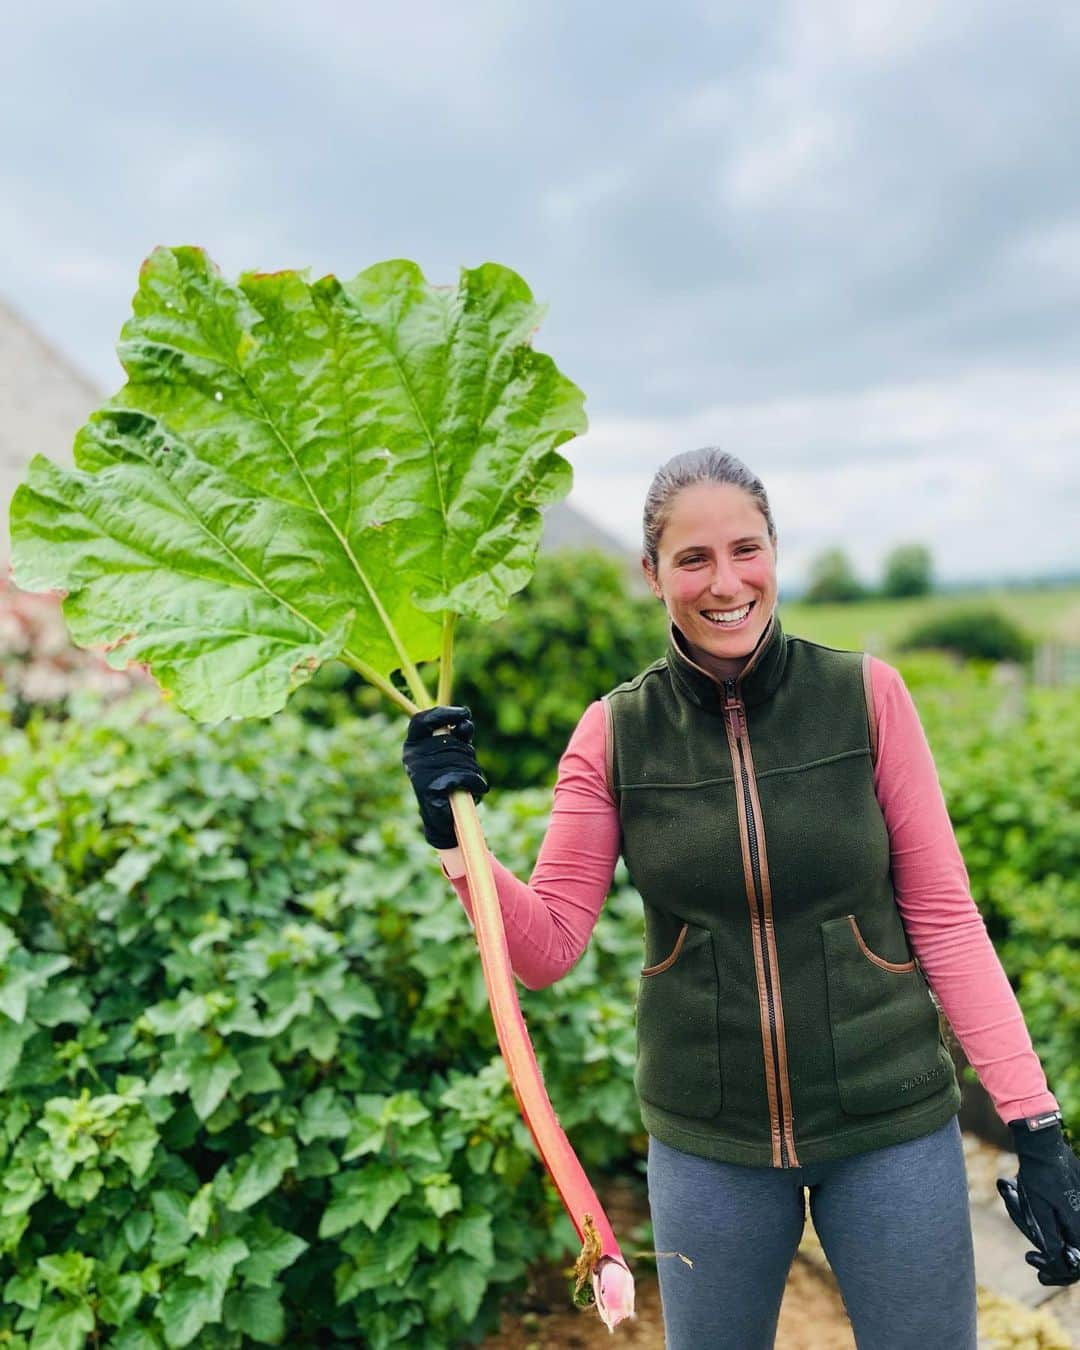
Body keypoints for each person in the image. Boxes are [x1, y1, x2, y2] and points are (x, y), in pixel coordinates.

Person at [402, 448, 1080, 1349]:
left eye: (745, 550)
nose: (726, 583)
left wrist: (1036, 1125)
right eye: (692, 559)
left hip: (890, 1125)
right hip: (708, 1145)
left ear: (774, 553)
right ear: (652, 574)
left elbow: (947, 921)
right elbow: (546, 949)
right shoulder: (616, 732)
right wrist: (455, 841)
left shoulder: (866, 697)